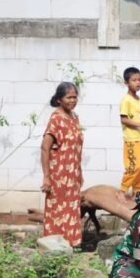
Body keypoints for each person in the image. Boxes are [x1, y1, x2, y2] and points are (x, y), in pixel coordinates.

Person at [41, 82, 84, 246]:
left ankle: (70, 246)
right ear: (59, 99)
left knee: (71, 211)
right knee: (57, 212)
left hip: (73, 176)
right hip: (58, 176)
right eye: (69, 97)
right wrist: (46, 177)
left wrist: (79, 173)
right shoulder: (56, 119)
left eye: (75, 97)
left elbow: (75, 149)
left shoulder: (74, 118)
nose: (73, 100)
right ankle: (53, 249)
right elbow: (45, 148)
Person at [119, 67, 140, 200]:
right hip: (132, 139)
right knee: (135, 166)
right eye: (134, 80)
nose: (138, 83)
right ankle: (122, 191)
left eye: (139, 80)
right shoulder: (126, 100)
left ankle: (136, 192)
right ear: (126, 82)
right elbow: (124, 119)